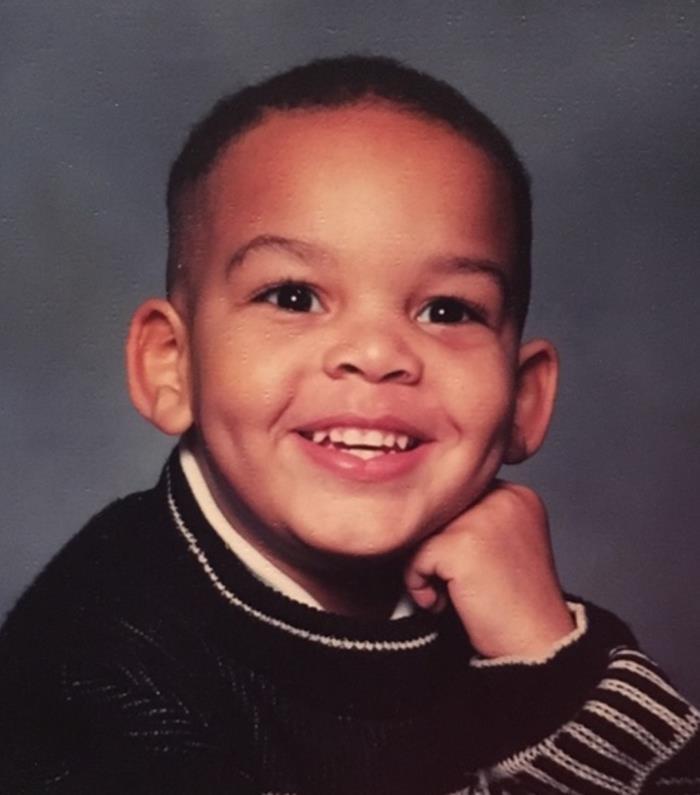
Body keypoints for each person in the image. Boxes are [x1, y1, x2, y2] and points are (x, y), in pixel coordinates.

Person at [0, 55, 697, 795]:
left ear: (523, 401)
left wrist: (545, 659)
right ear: (172, 366)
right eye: (293, 297)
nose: (376, 354)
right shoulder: (89, 670)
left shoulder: (534, 626)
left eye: (447, 310)